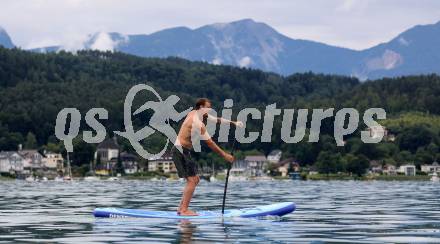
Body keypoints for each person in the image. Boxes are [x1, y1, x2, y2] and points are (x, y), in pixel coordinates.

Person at [172, 98, 242, 216]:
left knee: (195, 180)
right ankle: (184, 210)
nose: (210, 110)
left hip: (184, 152)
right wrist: (225, 155)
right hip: (180, 151)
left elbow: (216, 120)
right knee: (192, 180)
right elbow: (210, 143)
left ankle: (181, 209)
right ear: (200, 108)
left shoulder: (195, 113)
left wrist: (233, 123)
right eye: (207, 107)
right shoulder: (197, 122)